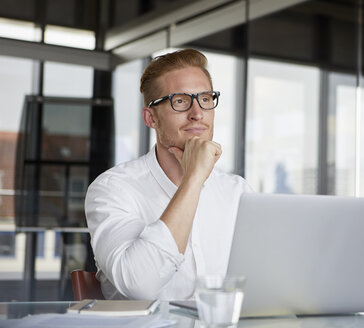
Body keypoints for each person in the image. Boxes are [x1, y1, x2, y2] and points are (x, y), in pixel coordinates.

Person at [85, 49, 252, 300]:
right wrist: (193, 179)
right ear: (151, 117)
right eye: (180, 101)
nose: (197, 112)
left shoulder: (237, 192)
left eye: (205, 99)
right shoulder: (113, 188)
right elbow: (140, 285)